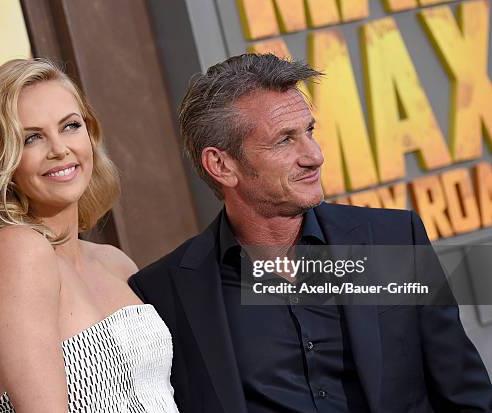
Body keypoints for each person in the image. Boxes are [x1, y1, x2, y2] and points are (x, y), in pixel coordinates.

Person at [128, 54, 492, 413]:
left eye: (309, 132)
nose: (314, 156)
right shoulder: (166, 292)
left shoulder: (393, 238)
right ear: (221, 165)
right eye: (285, 140)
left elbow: (466, 396)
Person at [0, 58, 180, 413]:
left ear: (90, 135)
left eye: (70, 126)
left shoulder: (115, 262)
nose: (59, 149)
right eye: (32, 137)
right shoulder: (18, 250)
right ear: (4, 160)